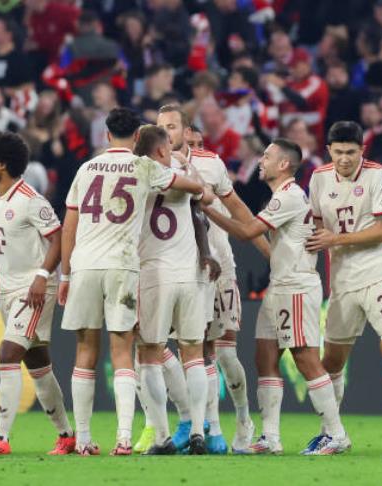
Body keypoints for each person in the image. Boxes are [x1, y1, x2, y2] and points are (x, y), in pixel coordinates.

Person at [59, 107, 206, 456]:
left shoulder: (86, 168)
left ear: (106, 135)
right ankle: (124, 438)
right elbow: (192, 187)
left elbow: (69, 226)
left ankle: (82, 439)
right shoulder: (145, 166)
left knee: (84, 351)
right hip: (123, 265)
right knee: (123, 351)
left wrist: (65, 273)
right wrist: (194, 185)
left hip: (84, 264)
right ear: (138, 137)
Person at [203, 138, 351, 456]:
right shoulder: (282, 197)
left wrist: (207, 206)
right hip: (280, 286)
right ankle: (270, 437)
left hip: (296, 287)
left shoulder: (290, 197)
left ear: (284, 164)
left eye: (267, 156)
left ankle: (336, 434)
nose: (261, 161)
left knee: (305, 358)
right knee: (265, 357)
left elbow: (246, 232)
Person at [306, 121, 382, 455]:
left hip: (378, 275)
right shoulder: (318, 178)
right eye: (339, 152)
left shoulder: (378, 175)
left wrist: (336, 239)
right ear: (329, 150)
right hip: (342, 281)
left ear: (362, 151)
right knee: (331, 362)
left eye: (351, 152)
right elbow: (317, 229)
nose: (345, 159)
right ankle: (331, 432)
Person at [157, 104, 267, 454]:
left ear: (188, 132)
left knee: (225, 354)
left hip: (220, 267)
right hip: (181, 271)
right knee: (193, 350)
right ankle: (204, 428)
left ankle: (243, 416)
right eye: (161, 127)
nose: (166, 133)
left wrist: (269, 252)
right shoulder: (152, 166)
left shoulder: (211, 164)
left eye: (172, 126)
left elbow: (239, 211)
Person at [0, 131, 75, 456]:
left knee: (7, 353)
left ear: (1, 164)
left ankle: (0, 438)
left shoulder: (30, 199)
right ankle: (67, 436)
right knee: (39, 365)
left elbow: (57, 238)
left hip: (34, 288)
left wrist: (43, 276)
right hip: (8, 288)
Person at [134, 125, 218, 455]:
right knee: (193, 352)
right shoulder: (181, 173)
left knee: (149, 355)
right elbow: (205, 200)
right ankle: (198, 430)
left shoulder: (134, 174)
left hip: (154, 272)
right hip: (190, 272)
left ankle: (163, 437)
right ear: (160, 151)